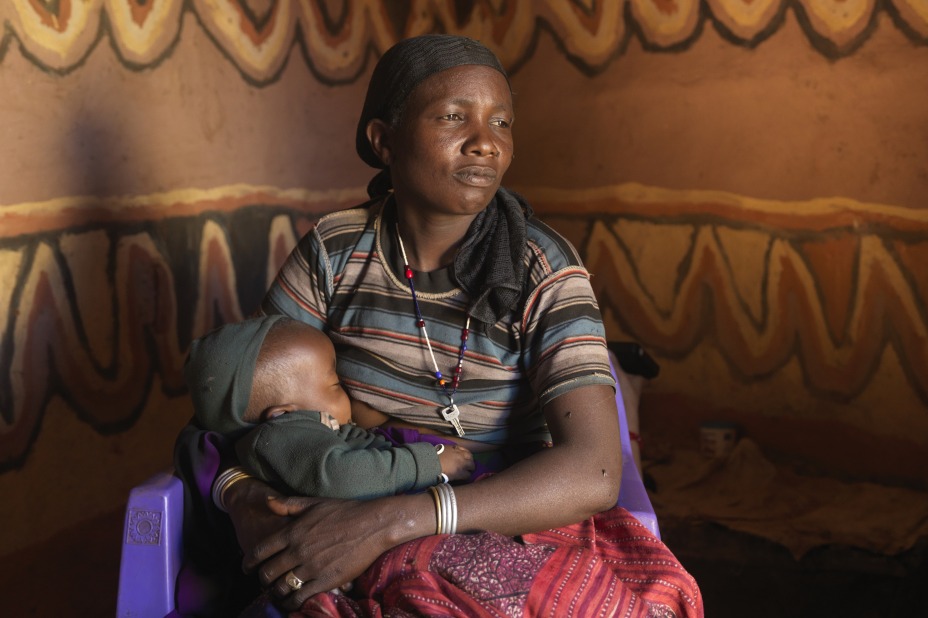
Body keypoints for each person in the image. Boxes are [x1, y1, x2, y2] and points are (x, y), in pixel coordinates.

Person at [174, 33, 702, 617]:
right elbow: (245, 396)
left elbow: (594, 471)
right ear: (384, 141)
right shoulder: (335, 250)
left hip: (497, 508)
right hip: (344, 485)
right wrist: (245, 498)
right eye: (454, 116)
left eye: (501, 122)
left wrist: (393, 521)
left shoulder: (544, 270)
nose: (485, 142)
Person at [183, 315, 476, 502]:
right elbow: (343, 475)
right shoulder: (280, 437)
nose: (347, 390)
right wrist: (427, 464)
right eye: (335, 384)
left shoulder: (303, 430)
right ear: (283, 414)